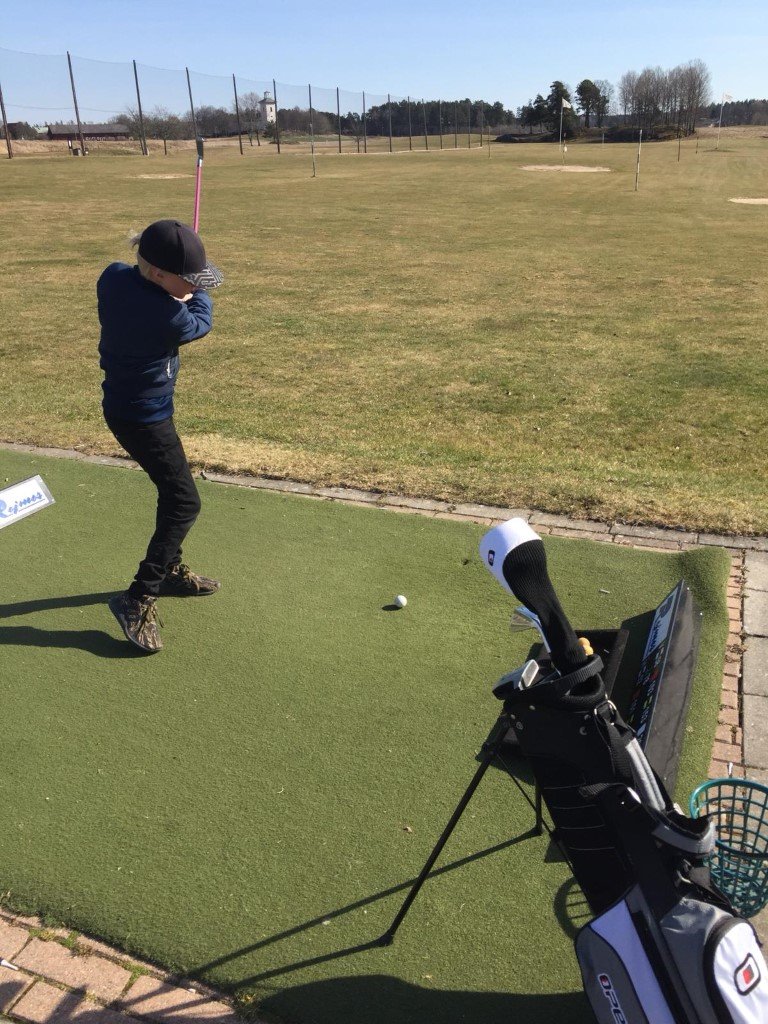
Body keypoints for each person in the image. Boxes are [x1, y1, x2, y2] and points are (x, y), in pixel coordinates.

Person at [97, 219, 223, 653]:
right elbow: (199, 322)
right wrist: (195, 294)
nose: (194, 284)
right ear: (157, 273)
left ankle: (168, 569)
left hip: (128, 408)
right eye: (188, 278)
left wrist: (179, 281)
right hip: (144, 418)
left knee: (173, 492)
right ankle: (139, 595)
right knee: (184, 502)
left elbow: (134, 277)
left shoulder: (113, 277)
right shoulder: (170, 316)